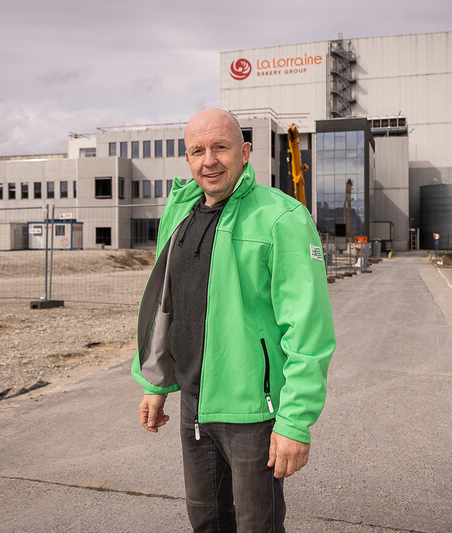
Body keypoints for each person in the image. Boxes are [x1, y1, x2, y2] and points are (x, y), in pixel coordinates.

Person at [131, 108, 336, 532]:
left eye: (220, 147)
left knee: (255, 526)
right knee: (206, 521)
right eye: (198, 151)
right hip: (194, 402)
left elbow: (308, 330)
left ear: (244, 152)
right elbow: (168, 306)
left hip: (251, 413)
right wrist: (155, 384)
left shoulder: (281, 217)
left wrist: (294, 421)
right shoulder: (182, 213)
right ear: (187, 159)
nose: (209, 160)